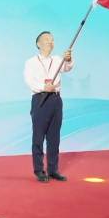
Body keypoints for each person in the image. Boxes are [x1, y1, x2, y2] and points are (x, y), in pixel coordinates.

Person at [23, 31, 73, 183]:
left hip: (56, 100)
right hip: (40, 99)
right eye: (46, 39)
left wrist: (68, 59)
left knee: (54, 137)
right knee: (38, 137)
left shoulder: (57, 60)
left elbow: (67, 67)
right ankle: (39, 170)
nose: (50, 42)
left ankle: (53, 169)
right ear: (38, 44)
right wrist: (44, 86)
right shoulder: (31, 62)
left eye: (52, 39)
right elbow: (29, 81)